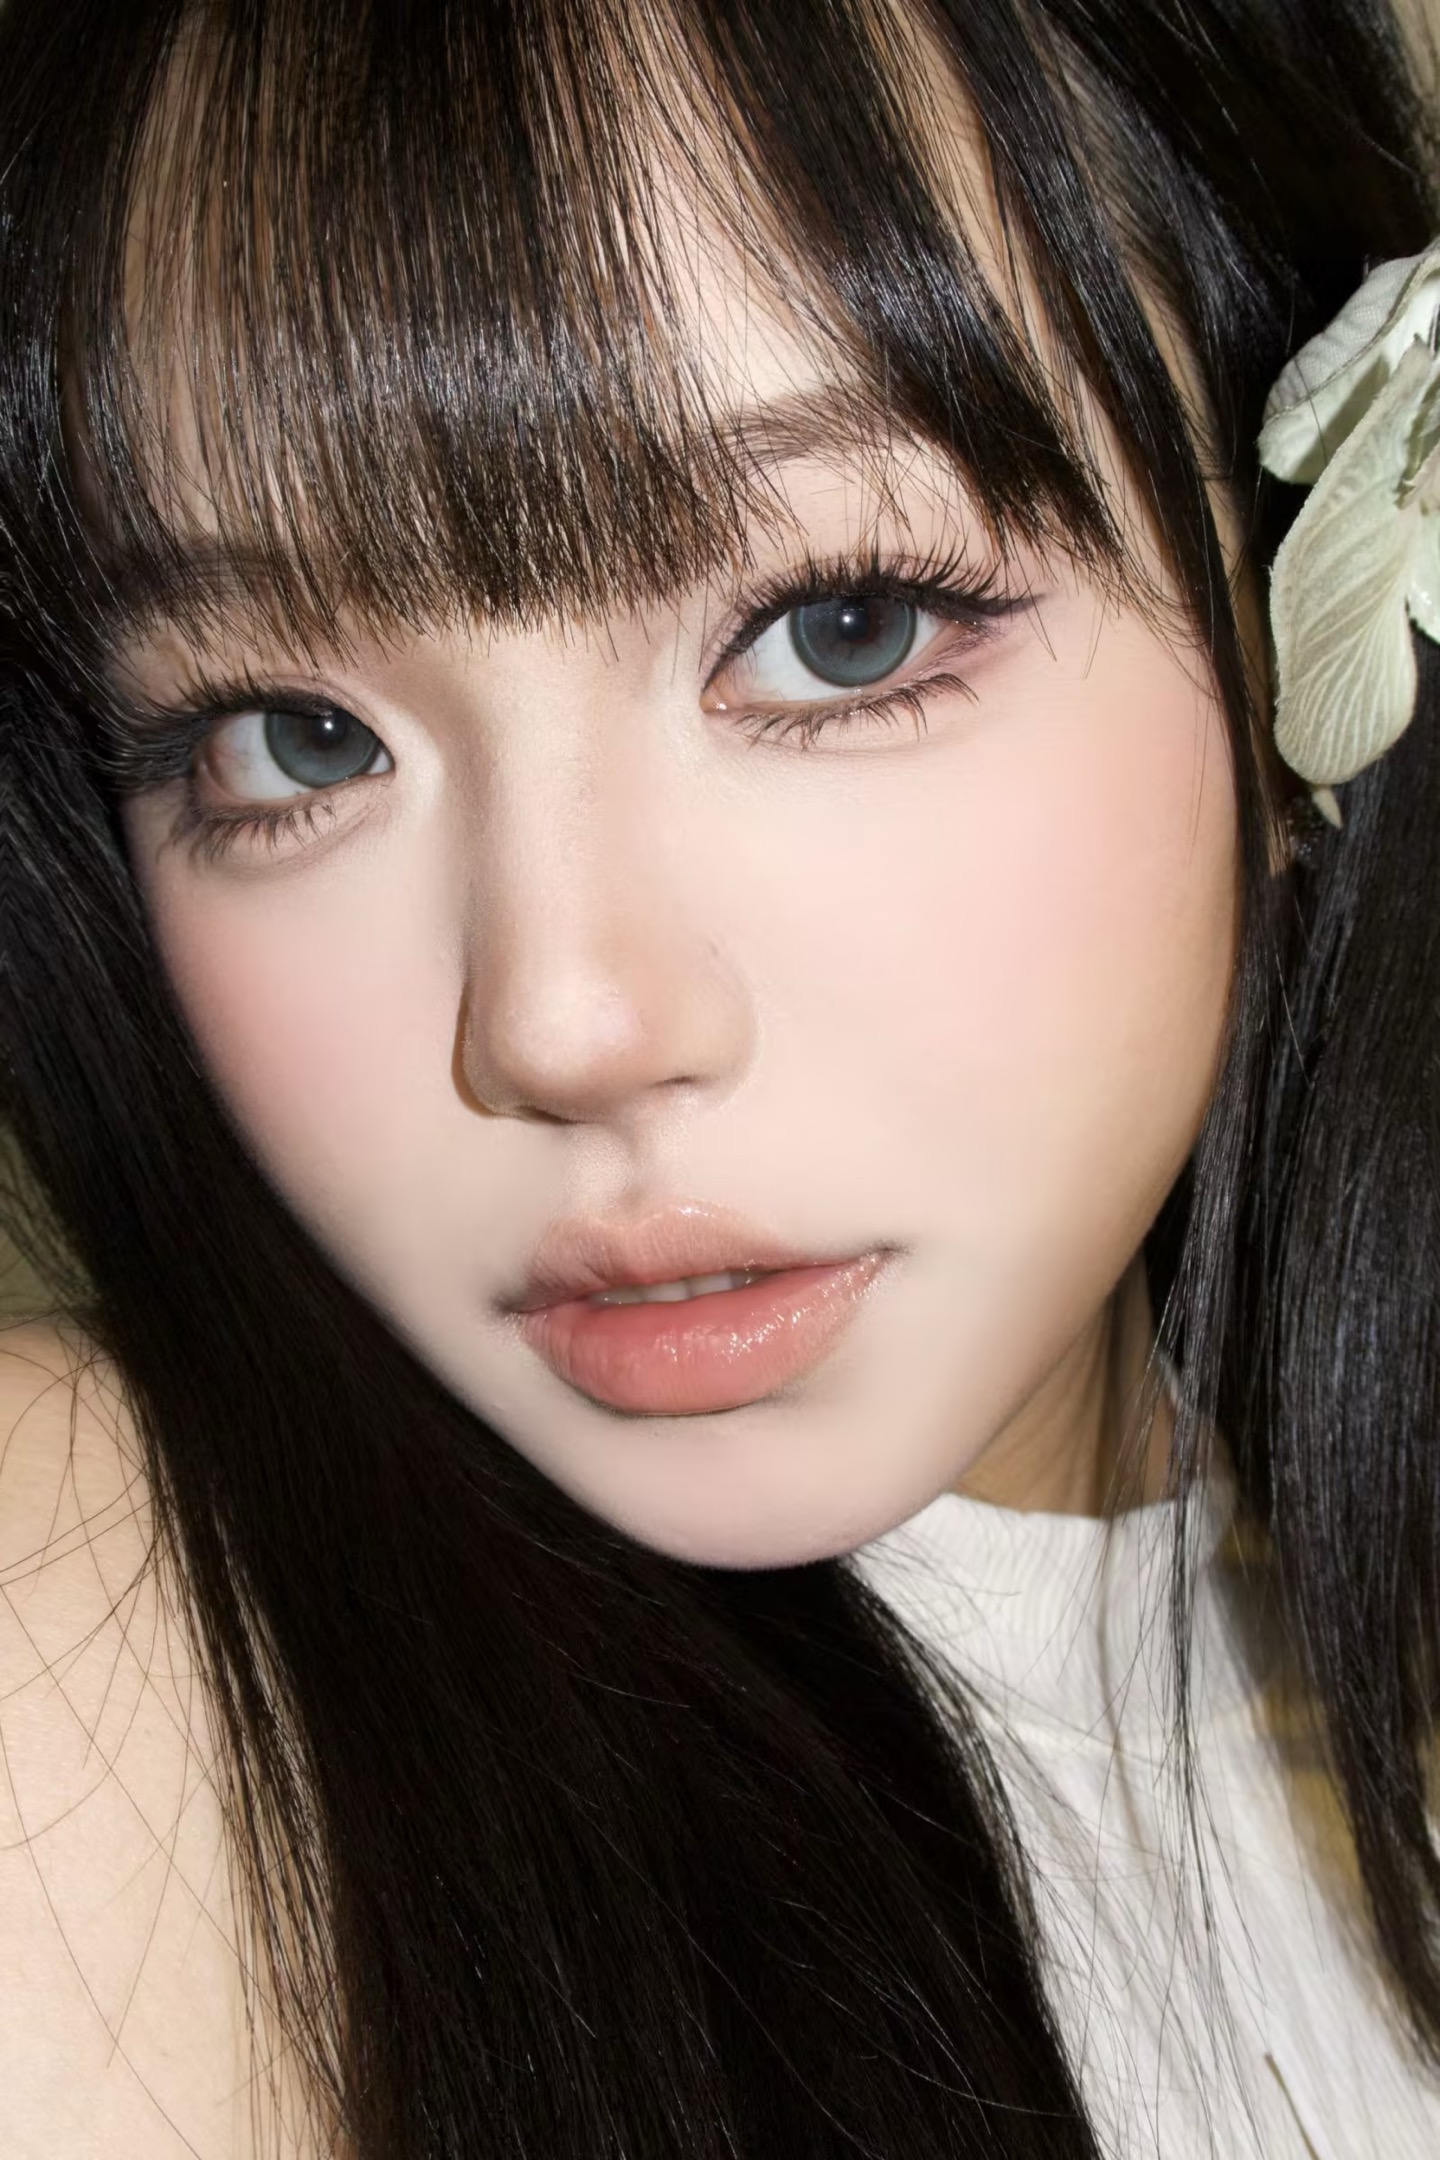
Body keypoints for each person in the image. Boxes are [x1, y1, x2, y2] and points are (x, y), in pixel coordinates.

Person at [1, 0, 1438, 2152]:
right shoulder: (87, 1621)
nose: (564, 1021)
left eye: (841, 628)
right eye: (294, 740)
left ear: (1308, 603)